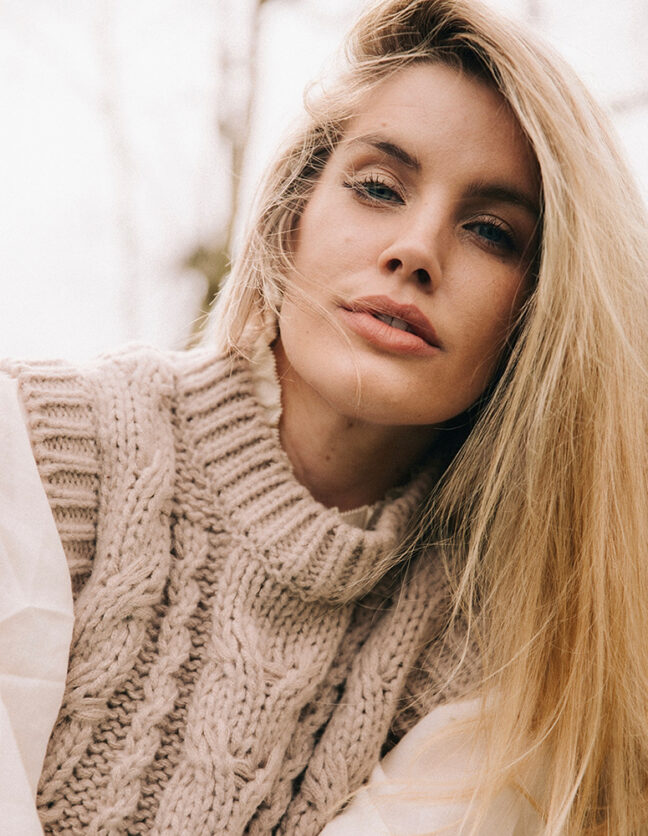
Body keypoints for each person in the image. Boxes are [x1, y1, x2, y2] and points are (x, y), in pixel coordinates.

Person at [1, 0, 647, 833]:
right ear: (291, 216)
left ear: (540, 313)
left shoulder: (513, 654)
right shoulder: (39, 450)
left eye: (490, 232)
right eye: (378, 188)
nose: (415, 250)